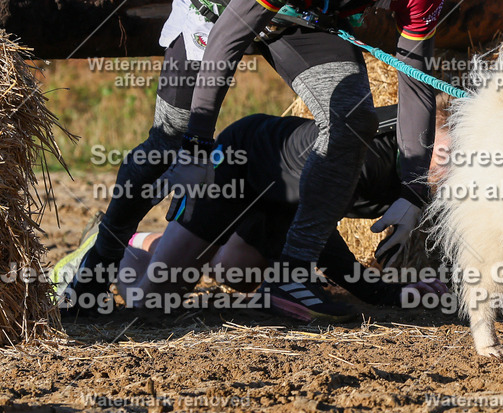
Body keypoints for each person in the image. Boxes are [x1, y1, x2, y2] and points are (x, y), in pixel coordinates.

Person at [62, 0, 444, 317]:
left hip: (298, 12)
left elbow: (416, 78)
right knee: (168, 142)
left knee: (352, 121)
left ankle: (293, 276)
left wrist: (414, 190)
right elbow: (230, 35)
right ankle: (92, 273)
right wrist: (198, 145)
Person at [55, 103, 449, 321]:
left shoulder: (431, 184)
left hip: (279, 198)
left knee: (236, 274)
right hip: (241, 164)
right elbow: (316, 226)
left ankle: (174, 245)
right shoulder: (377, 156)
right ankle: (118, 243)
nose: (454, 166)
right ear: (425, 135)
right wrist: (380, 291)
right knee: (152, 303)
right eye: (447, 152)